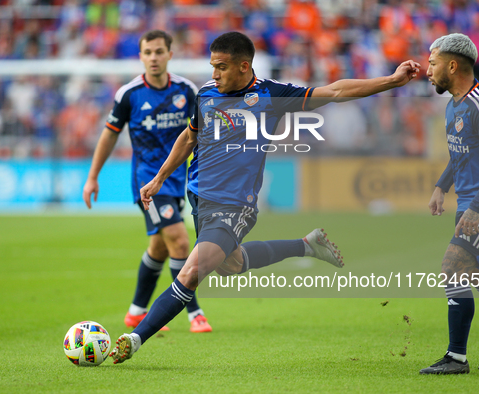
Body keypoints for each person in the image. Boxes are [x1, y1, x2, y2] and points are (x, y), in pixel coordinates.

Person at [108, 31, 420, 364]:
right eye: (213, 66)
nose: (214, 74)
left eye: (221, 67)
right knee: (232, 265)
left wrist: (392, 80)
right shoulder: (207, 94)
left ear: (244, 66)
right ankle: (307, 244)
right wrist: (159, 178)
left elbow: (335, 91)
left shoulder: (271, 94)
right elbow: (189, 137)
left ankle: (135, 337)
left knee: (191, 270)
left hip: (235, 205)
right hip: (200, 197)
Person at [82, 30, 213, 334]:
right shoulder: (129, 94)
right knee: (180, 240)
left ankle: (136, 312)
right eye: (147, 52)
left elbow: (200, 133)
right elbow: (109, 135)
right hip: (148, 185)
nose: (153, 58)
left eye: (158, 52)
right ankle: (194, 312)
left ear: (170, 54)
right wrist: (92, 177)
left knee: (159, 247)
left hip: (177, 179)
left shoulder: (186, 90)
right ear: (140, 56)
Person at [421, 33, 479, 375]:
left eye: (433, 63)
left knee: (452, 268)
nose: (428, 70)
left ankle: (456, 358)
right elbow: (462, 151)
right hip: (469, 202)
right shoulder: (454, 103)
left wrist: (478, 207)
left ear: (452, 65)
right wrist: (442, 185)